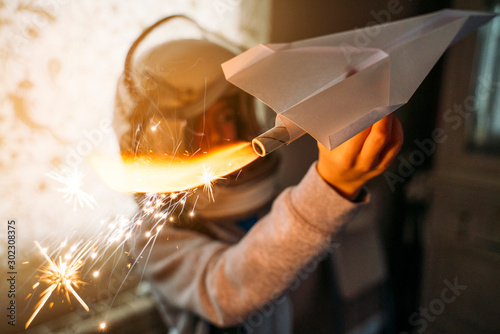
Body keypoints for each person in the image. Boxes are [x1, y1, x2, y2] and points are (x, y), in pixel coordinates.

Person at [113, 17, 403, 334]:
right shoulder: (156, 234)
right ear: (161, 141)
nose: (226, 132)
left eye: (226, 115)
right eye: (200, 123)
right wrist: (332, 187)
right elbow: (227, 291)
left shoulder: (271, 198)